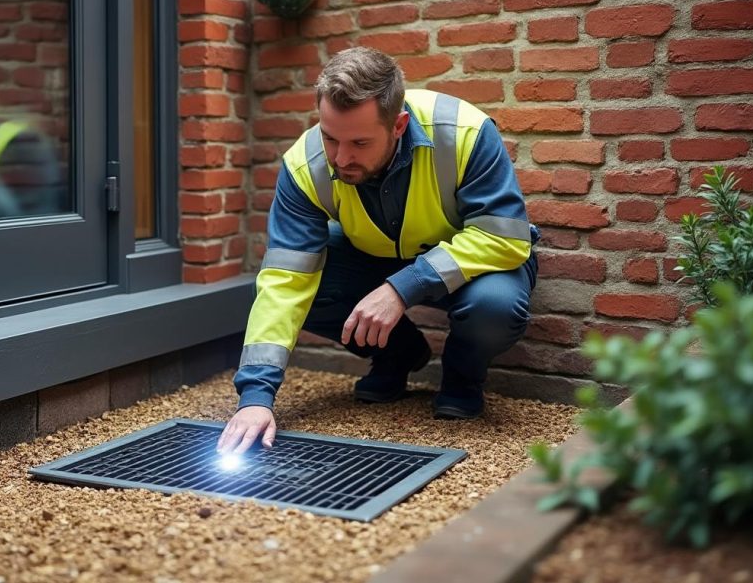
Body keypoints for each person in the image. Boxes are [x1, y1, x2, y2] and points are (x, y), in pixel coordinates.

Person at [217, 47, 539, 455]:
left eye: (360, 142)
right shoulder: (305, 163)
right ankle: (398, 356)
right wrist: (255, 398)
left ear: (399, 125)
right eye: (330, 137)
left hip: (474, 268)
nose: (341, 157)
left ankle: (462, 378)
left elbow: (505, 237)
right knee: (293, 283)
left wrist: (402, 288)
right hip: (371, 259)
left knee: (495, 306)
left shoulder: (463, 131)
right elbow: (286, 278)